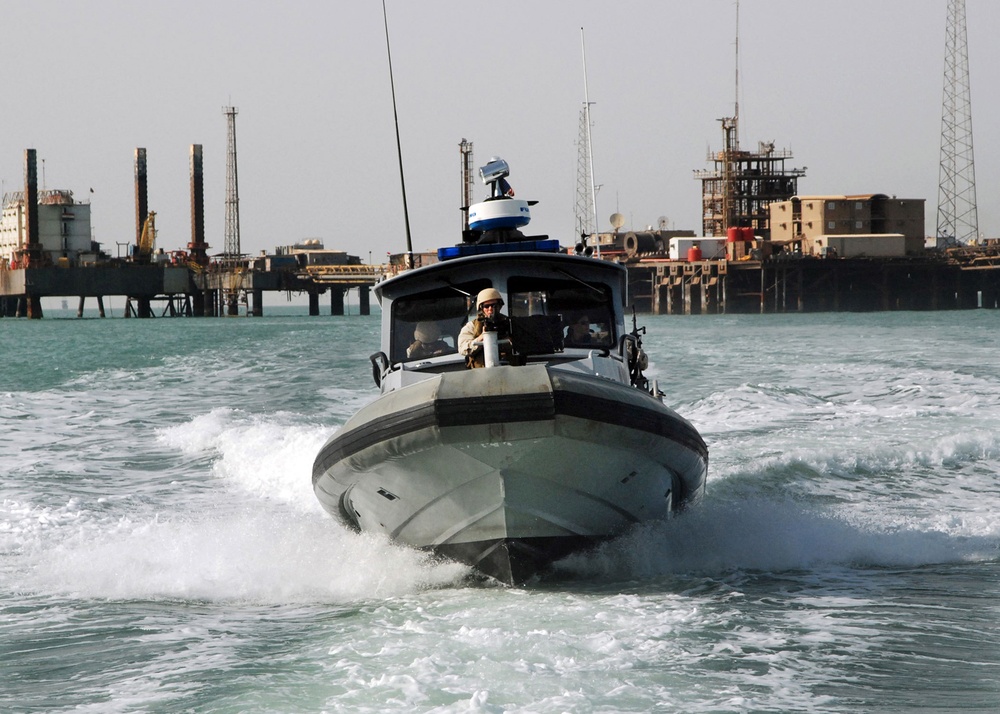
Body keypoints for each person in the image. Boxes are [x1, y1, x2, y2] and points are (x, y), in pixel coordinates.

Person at [458, 288, 514, 368]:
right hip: (482, 375)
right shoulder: (472, 326)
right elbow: (463, 349)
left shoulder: (510, 323)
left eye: (494, 305)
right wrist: (482, 337)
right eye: (486, 306)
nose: (490, 309)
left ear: (499, 306)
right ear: (481, 308)